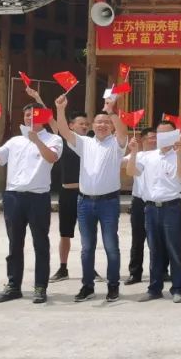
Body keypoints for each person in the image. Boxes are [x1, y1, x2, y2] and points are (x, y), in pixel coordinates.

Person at [0, 104, 62, 304]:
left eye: (35, 114)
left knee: (40, 243)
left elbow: (51, 158)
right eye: (27, 114)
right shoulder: (15, 141)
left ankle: (40, 286)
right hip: (13, 197)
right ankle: (13, 286)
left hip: (38, 197)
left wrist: (37, 141)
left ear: (44, 117)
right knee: (14, 243)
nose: (30, 117)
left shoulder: (53, 139)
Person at [53, 92, 127, 302]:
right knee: (87, 248)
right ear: (93, 126)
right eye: (99, 122)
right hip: (84, 202)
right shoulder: (85, 143)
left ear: (111, 126)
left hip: (108, 202)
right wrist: (60, 109)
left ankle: (113, 286)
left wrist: (111, 112)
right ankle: (87, 286)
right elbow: (64, 131)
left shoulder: (116, 144)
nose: (102, 125)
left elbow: (123, 131)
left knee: (111, 246)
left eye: (106, 122)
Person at [126, 121, 181, 303]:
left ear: (174, 135)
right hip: (151, 208)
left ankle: (177, 288)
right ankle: (154, 288)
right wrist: (134, 152)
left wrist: (179, 153)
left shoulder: (179, 155)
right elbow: (131, 171)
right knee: (154, 249)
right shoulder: (147, 156)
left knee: (173, 248)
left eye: (168, 133)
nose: (163, 137)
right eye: (160, 134)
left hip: (171, 208)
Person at [51, 109, 90, 283]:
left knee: (88, 234)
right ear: (71, 125)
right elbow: (51, 119)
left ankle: (89, 268)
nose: (84, 126)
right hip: (67, 193)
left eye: (86, 124)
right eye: (81, 123)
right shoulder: (63, 140)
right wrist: (37, 98)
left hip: (86, 194)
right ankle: (63, 268)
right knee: (65, 233)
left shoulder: (91, 143)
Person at [125, 126, 156, 285]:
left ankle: (161, 271)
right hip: (139, 201)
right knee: (138, 239)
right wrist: (131, 150)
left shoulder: (162, 155)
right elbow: (120, 162)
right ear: (142, 140)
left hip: (156, 202)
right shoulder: (136, 155)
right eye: (151, 137)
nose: (154, 140)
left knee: (157, 239)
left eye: (156, 137)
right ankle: (135, 273)